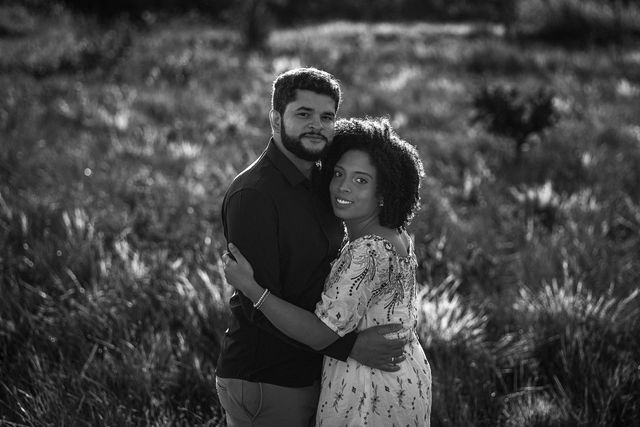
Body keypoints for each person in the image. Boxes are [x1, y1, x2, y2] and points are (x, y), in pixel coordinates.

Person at [216, 68, 408, 427]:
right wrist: (349, 347)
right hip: (269, 378)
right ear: (276, 119)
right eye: (303, 114)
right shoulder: (255, 196)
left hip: (314, 372)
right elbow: (259, 306)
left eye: (326, 117)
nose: (317, 125)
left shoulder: (325, 182)